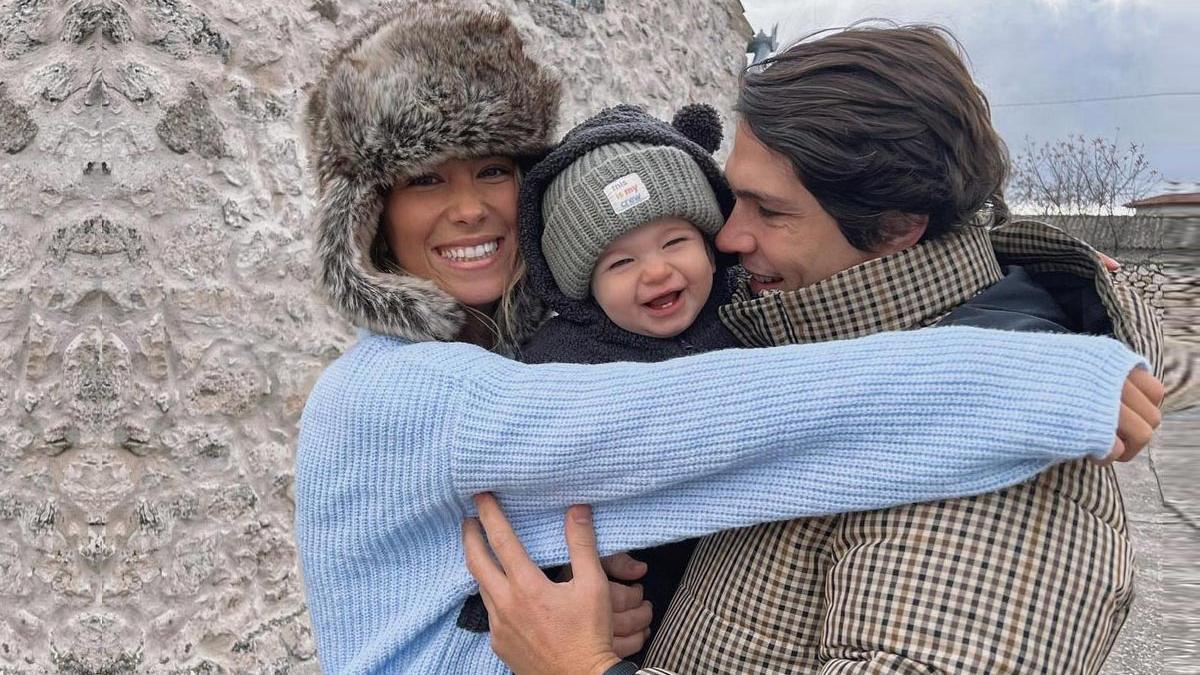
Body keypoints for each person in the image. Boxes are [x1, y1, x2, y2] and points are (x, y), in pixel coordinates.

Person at [295, 7, 1162, 675]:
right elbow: (681, 422)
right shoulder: (393, 390)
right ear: (367, 216)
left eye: (495, 169)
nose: (725, 237)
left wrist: (591, 637)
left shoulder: (536, 352)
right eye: (423, 180)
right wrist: (1032, 381)